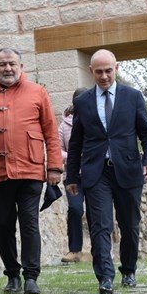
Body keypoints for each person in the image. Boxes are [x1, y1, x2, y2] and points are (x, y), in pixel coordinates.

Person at [0, 48, 63, 294]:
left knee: (29, 223)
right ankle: (12, 274)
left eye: (12, 64)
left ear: (21, 65)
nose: (8, 68)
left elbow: (51, 133)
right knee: (3, 225)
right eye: (2, 65)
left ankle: (31, 276)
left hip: (30, 171)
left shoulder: (37, 92)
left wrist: (53, 167)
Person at [65, 49, 147, 294]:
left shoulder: (133, 97)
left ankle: (128, 270)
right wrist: (71, 176)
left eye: (108, 70)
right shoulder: (82, 102)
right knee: (100, 225)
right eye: (99, 71)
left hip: (128, 169)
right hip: (96, 173)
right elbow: (75, 142)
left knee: (129, 224)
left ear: (116, 68)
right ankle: (105, 276)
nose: (104, 76)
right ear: (91, 72)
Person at [58, 88, 90, 263]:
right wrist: (74, 156)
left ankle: (99, 249)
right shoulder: (64, 126)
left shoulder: (95, 120)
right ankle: (75, 250)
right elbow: (58, 150)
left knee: (95, 212)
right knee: (76, 209)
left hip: (95, 174)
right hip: (73, 176)